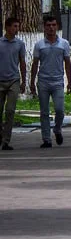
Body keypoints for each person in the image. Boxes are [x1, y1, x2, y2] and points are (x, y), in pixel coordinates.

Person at [30, 14, 71, 148]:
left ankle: (57, 129)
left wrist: (70, 82)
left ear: (57, 26)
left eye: (53, 25)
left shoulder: (64, 43)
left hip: (58, 82)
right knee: (44, 112)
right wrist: (31, 82)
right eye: (48, 25)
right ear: (44, 27)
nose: (51, 28)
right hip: (43, 82)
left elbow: (67, 63)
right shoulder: (39, 45)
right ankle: (46, 139)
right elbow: (35, 64)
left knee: (60, 110)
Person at [0, 16, 28, 150]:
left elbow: (22, 63)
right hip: (0, 80)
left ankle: (6, 140)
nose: (16, 29)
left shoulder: (20, 44)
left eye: (17, 26)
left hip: (14, 81)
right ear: (7, 27)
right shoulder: (0, 43)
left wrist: (24, 81)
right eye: (14, 26)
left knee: (10, 110)